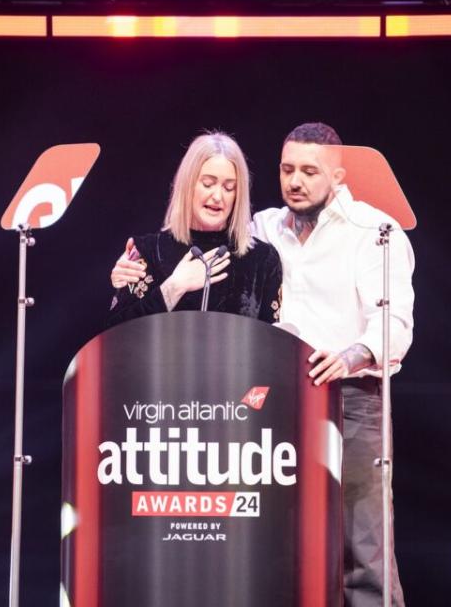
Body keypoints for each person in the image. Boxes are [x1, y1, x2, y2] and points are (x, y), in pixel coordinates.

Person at [112, 123, 415, 606]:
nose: (295, 181)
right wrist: (132, 272)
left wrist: (348, 355)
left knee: (362, 547)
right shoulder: (264, 228)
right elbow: (195, 231)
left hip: (351, 399)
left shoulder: (374, 232)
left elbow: (394, 324)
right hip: (276, 406)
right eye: (287, 169)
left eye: (310, 171)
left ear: (337, 176)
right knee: (284, 546)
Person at [107, 132, 282, 327]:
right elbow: (116, 334)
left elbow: (272, 344)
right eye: (208, 184)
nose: (218, 196)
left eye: (229, 187)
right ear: (188, 185)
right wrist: (174, 287)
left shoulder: (263, 260)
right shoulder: (147, 252)